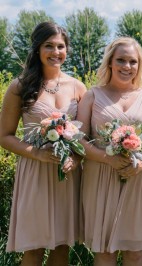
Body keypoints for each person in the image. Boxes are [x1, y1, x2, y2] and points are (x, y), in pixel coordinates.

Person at [0, 22, 86, 265]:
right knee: (34, 248)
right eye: (49, 46)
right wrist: (36, 154)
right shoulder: (19, 86)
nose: (56, 52)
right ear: (37, 49)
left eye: (61, 46)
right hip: (35, 170)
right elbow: (4, 136)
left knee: (62, 247)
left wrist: (76, 158)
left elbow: (86, 137)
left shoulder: (78, 87)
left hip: (67, 173)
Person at [77, 36, 142, 266]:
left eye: (133, 61)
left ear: (139, 65)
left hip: (139, 177)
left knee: (134, 253)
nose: (127, 66)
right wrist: (108, 159)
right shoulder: (92, 95)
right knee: (104, 252)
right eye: (121, 60)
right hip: (100, 178)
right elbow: (79, 140)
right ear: (110, 62)